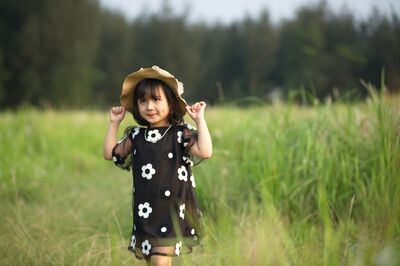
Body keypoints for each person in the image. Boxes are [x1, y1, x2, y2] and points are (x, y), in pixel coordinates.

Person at [103, 66, 212, 266]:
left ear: (171, 102)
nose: (149, 106)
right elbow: (111, 154)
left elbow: (205, 152)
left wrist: (200, 121)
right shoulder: (136, 136)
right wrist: (113, 124)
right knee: (154, 262)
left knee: (159, 262)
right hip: (146, 212)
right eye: (142, 101)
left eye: (156, 99)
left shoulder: (180, 133)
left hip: (172, 211)